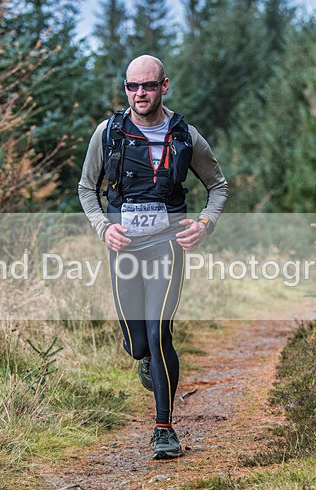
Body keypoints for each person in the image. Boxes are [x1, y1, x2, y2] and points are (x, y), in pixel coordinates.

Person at [78, 55, 228, 460]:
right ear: (125, 88)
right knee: (137, 342)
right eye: (132, 86)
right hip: (125, 247)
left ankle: (164, 428)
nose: (139, 94)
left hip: (168, 244)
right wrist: (103, 227)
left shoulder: (185, 135)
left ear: (165, 86)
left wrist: (204, 223)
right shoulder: (108, 132)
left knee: (160, 334)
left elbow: (218, 186)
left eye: (148, 85)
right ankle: (141, 356)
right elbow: (86, 188)